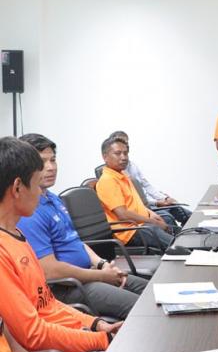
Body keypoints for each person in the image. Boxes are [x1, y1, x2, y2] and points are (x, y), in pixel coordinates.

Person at [0, 137, 120, 352]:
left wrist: (96, 324)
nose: (40, 193)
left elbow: (48, 304)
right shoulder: (3, 251)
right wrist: (100, 339)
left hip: (63, 347)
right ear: (17, 188)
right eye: (36, 184)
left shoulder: (17, 234)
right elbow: (33, 335)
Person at [17, 133, 148, 320]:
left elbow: (75, 241)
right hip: (67, 287)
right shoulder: (29, 212)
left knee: (149, 292)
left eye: (53, 160)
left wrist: (102, 264)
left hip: (88, 274)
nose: (51, 167)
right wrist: (101, 276)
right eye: (42, 162)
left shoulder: (53, 199)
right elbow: (50, 271)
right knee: (143, 310)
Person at [95, 137, 174, 252]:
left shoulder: (123, 176)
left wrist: (151, 214)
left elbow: (136, 204)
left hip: (141, 225)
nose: (123, 157)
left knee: (172, 226)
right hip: (128, 231)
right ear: (105, 157)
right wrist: (152, 222)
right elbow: (123, 215)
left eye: (125, 153)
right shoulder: (108, 180)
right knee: (173, 244)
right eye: (118, 153)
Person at [108, 130, 191, 226]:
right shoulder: (115, 174)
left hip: (150, 204)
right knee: (168, 218)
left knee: (184, 212)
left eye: (126, 142)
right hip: (142, 208)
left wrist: (165, 198)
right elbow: (133, 199)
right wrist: (156, 203)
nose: (124, 145)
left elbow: (147, 185)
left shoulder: (132, 165)